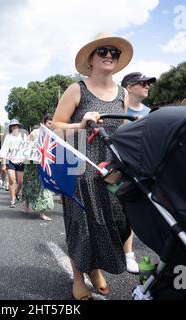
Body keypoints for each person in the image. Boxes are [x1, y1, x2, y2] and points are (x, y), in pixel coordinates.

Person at [52, 32, 133, 300]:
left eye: (114, 52)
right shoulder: (78, 89)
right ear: (91, 58)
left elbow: (120, 130)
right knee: (83, 225)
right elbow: (55, 127)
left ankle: (95, 266)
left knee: (118, 221)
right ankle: (79, 278)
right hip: (80, 167)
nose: (109, 55)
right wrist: (80, 123)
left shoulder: (123, 93)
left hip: (111, 169)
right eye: (103, 51)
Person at [120, 71, 157, 274]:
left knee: (133, 213)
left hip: (142, 170)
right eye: (143, 83)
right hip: (119, 169)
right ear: (130, 87)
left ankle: (128, 255)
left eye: (148, 83)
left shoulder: (150, 113)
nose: (147, 86)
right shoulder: (117, 109)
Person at [22, 114, 54, 221]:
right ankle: (27, 203)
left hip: (44, 165)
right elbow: (25, 146)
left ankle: (42, 213)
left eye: (52, 123)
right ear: (44, 122)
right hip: (32, 165)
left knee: (45, 188)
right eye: (49, 123)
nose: (50, 125)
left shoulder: (51, 135)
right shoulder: (35, 132)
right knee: (30, 185)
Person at [0, 119, 28, 208]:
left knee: (21, 182)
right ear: (11, 127)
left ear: (19, 126)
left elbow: (28, 148)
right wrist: (4, 164)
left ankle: (16, 192)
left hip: (21, 161)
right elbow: (4, 150)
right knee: (12, 180)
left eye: (16, 125)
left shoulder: (23, 136)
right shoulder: (8, 137)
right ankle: (12, 201)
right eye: (12, 126)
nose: (14, 127)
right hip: (11, 161)